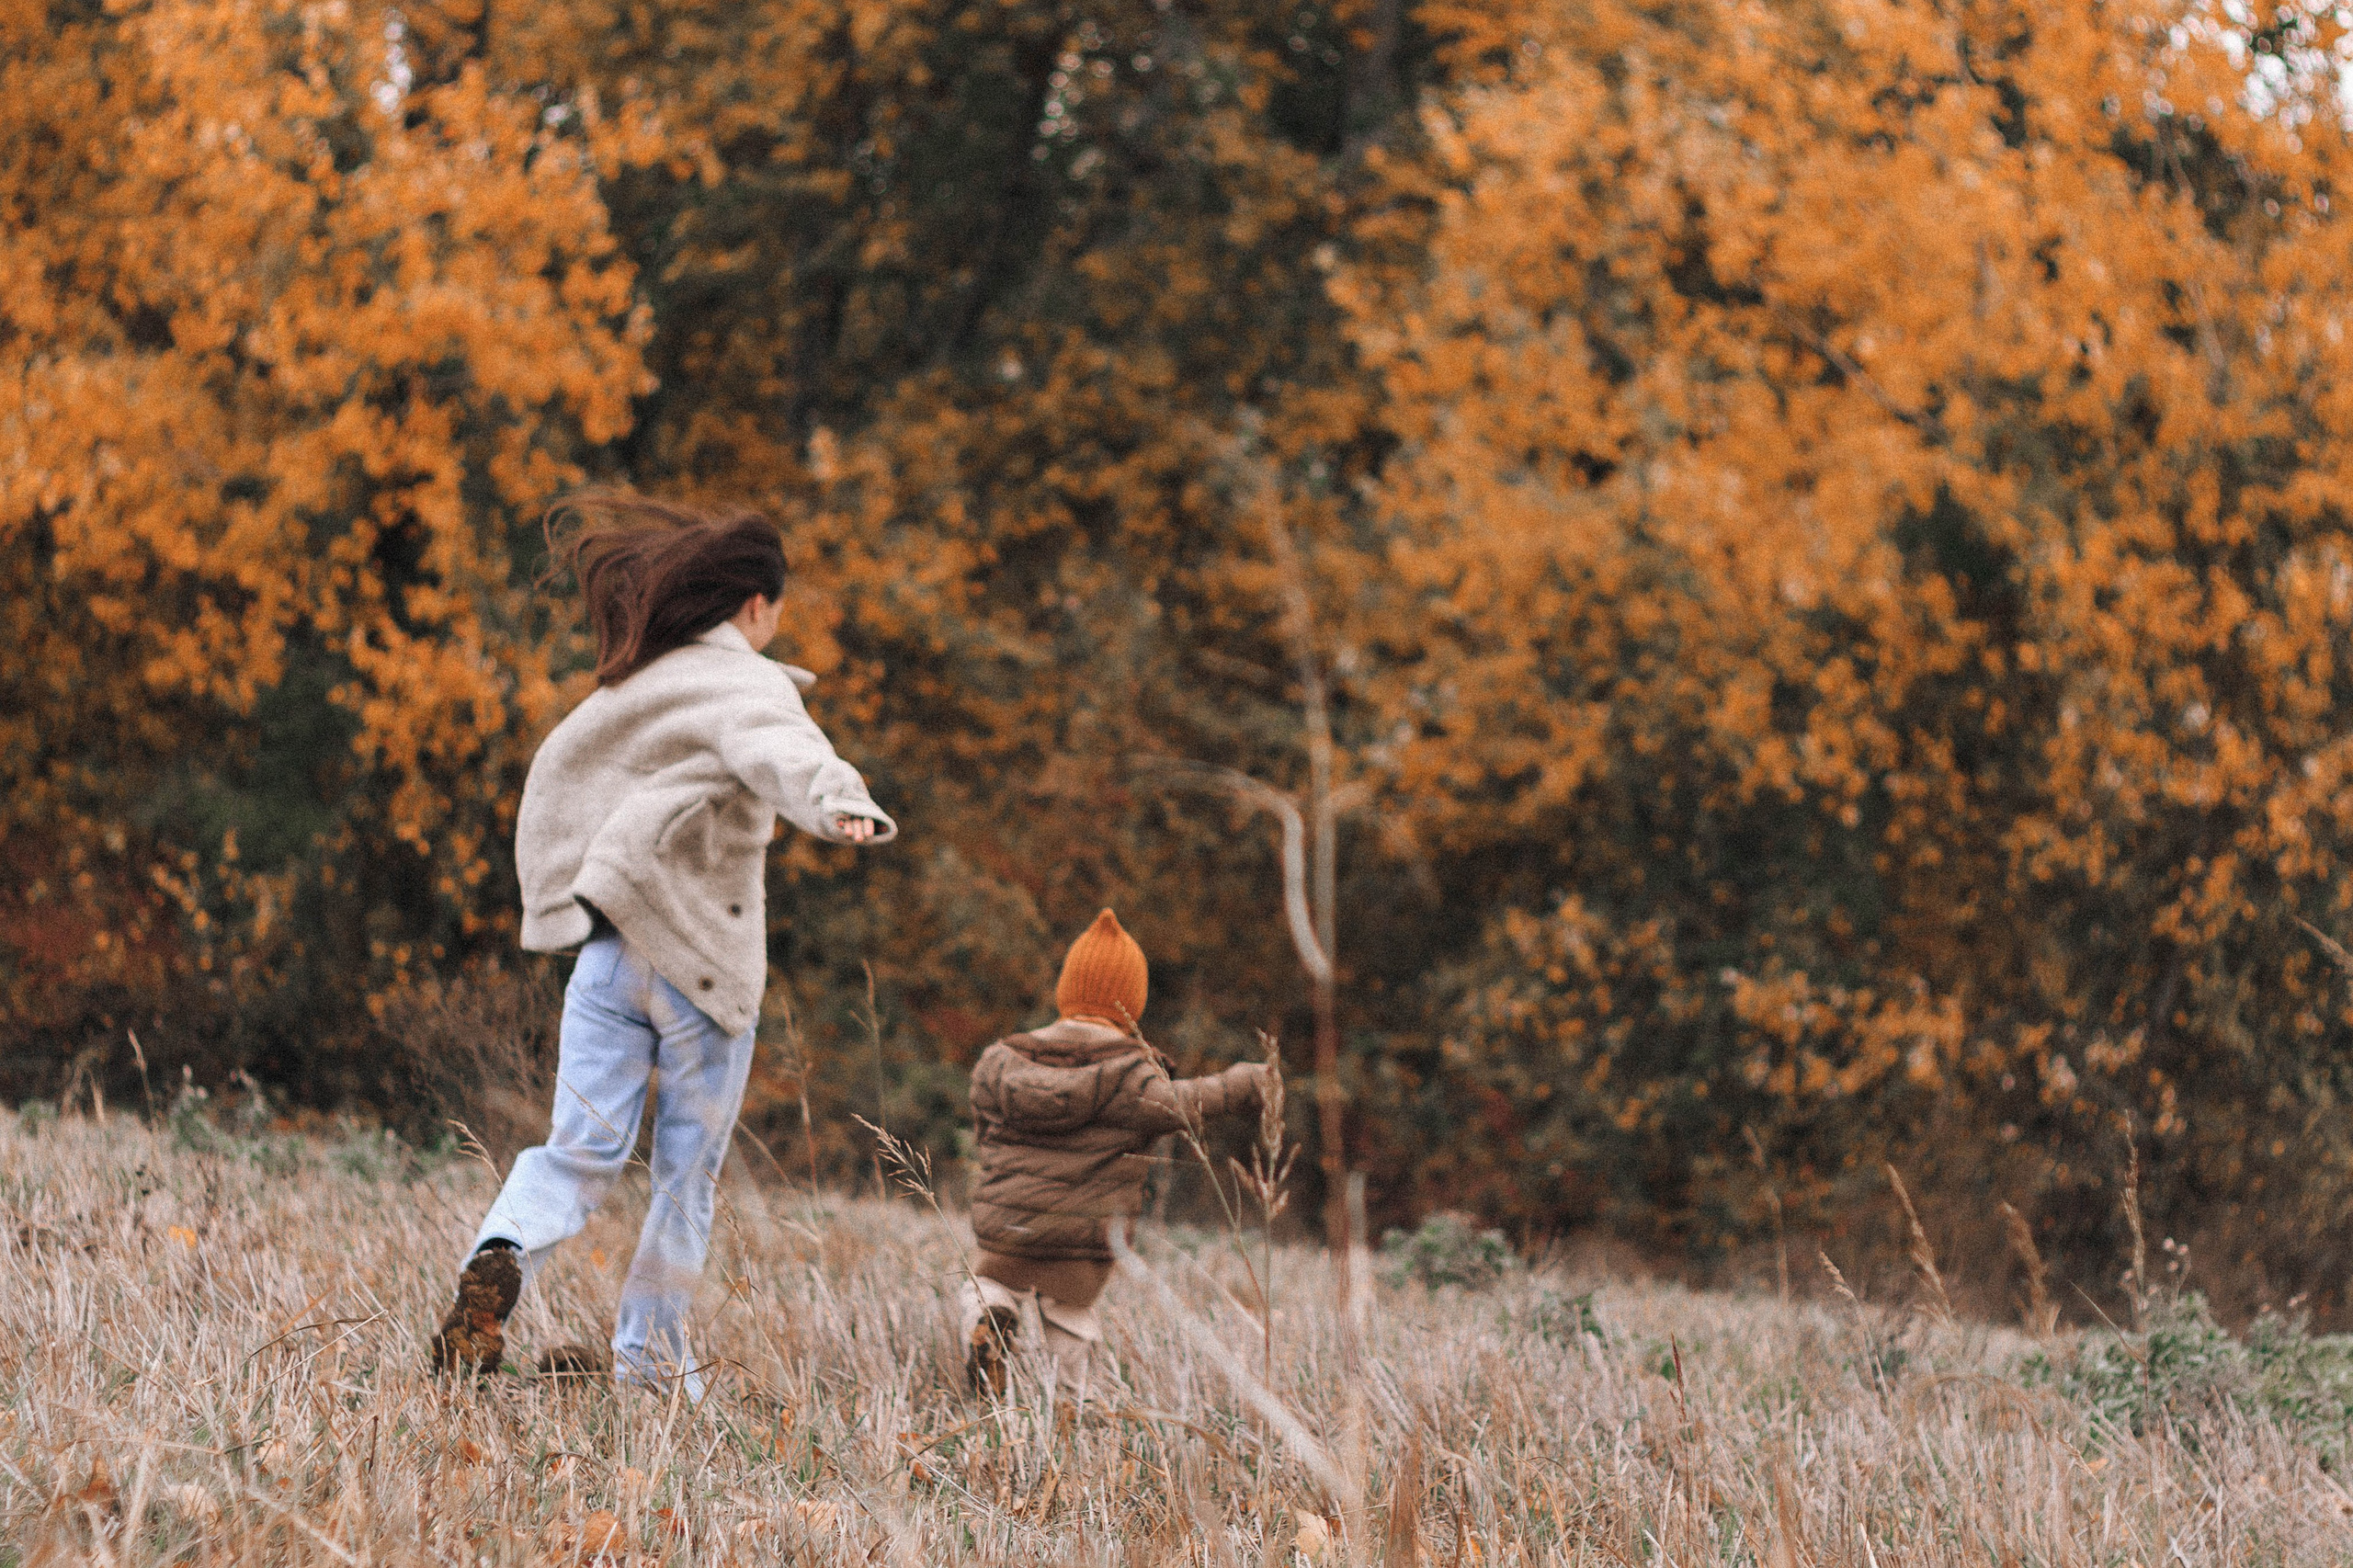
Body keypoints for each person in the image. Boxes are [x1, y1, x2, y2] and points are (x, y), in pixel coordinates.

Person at [430, 494, 894, 1397]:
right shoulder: (748, 683)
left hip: (608, 952)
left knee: (579, 1149)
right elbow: (781, 749)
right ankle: (649, 1362)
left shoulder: (632, 685)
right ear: (756, 606)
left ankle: (503, 1245)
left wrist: (565, 890)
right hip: (700, 975)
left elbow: (564, 769)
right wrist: (839, 800)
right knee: (687, 1175)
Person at [961, 909, 1269, 1400]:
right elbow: (1184, 1104)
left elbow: (983, 1128)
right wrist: (1246, 1083)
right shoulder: (1130, 1073)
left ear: (1066, 991)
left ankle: (989, 1316)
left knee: (989, 1284)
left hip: (1007, 1232)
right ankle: (1066, 1406)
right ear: (1133, 1004)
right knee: (1070, 1316)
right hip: (1083, 1242)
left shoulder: (1000, 1060)